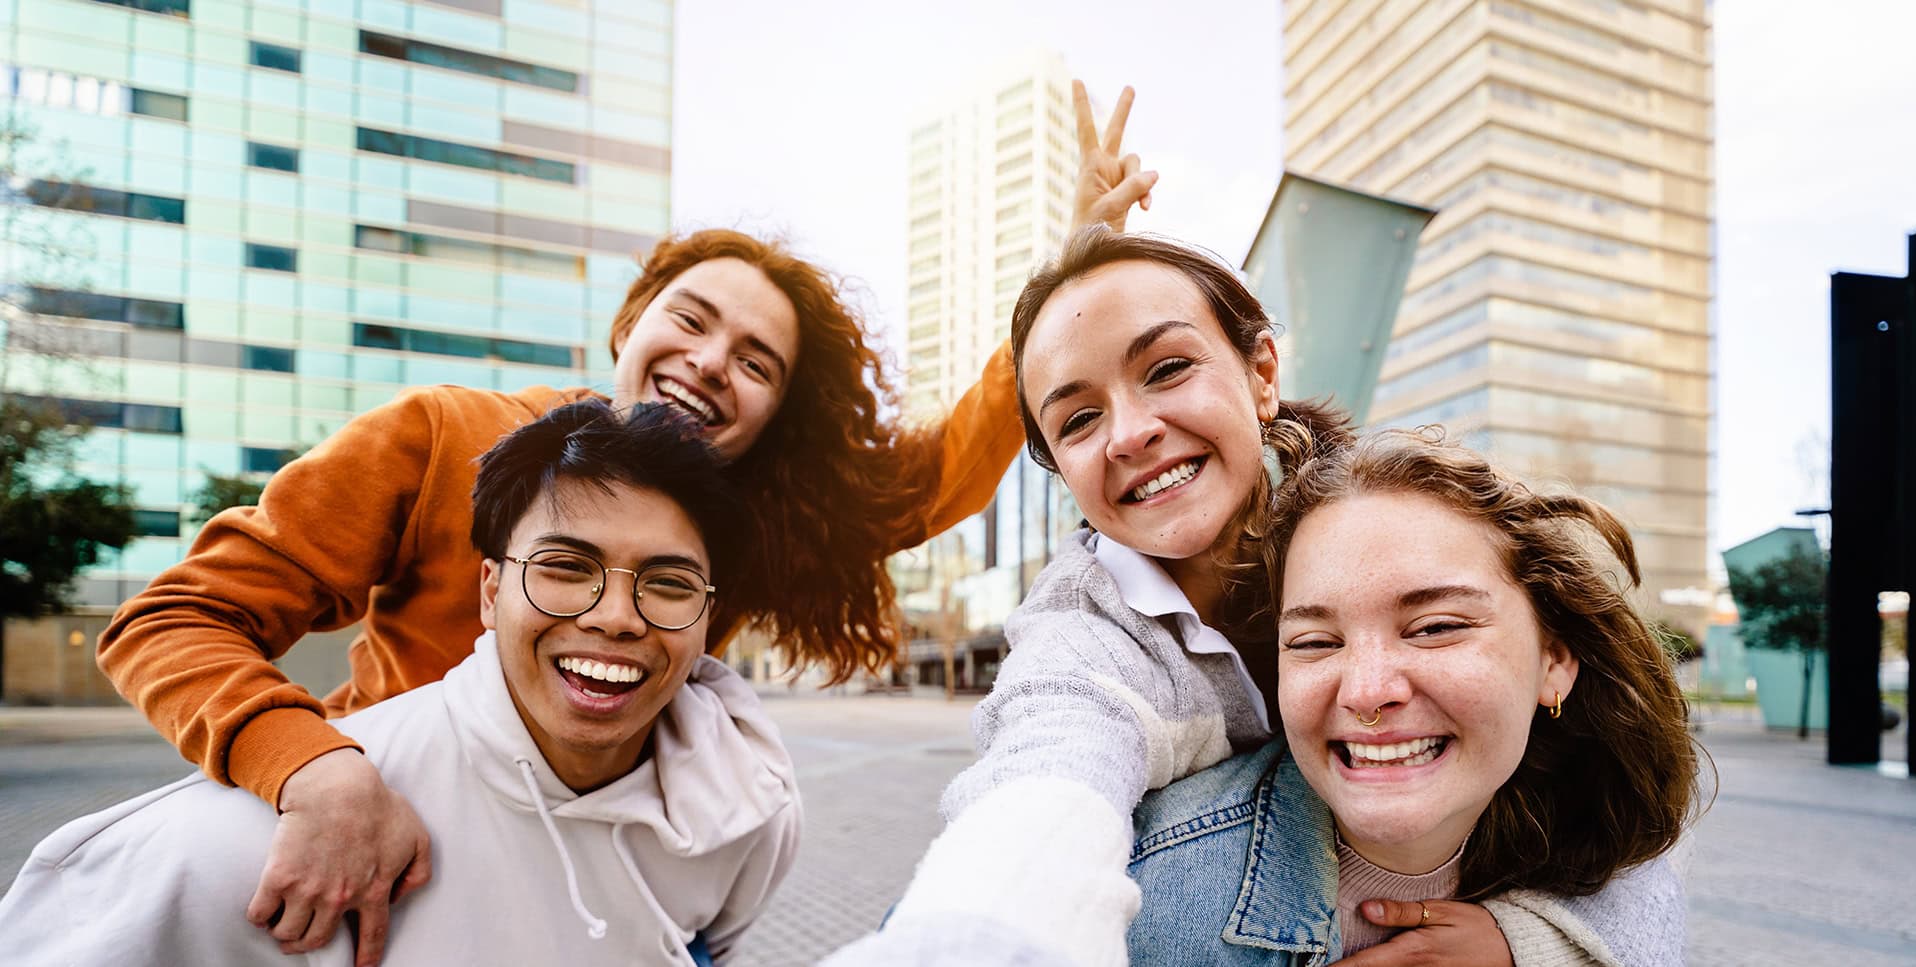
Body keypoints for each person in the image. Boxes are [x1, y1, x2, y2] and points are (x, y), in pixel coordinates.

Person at [93, 81, 1157, 967]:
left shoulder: (739, 525)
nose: (709, 362)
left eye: (755, 363)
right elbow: (175, 616)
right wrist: (315, 768)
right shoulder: (436, 434)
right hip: (396, 865)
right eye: (690, 320)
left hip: (627, 895)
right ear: (627, 324)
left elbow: (935, 473)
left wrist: (1072, 267)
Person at [832, 228, 1679, 965]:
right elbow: (1043, 793)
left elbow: (1619, 807)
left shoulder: (1378, 518)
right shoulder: (1085, 637)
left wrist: (1528, 940)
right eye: (1078, 420)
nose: (1129, 432)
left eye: (1166, 368)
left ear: (1261, 371)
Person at [0, 401, 799, 966]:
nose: (618, 616)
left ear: (707, 617)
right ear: (489, 591)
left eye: (666, 583)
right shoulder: (253, 849)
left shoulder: (745, 807)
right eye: (566, 568)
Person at [1124, 427, 1699, 965]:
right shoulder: (1147, 893)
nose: (1368, 693)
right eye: (1316, 641)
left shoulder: (1598, 825)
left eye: (1436, 628)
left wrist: (1530, 946)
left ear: (1553, 662)